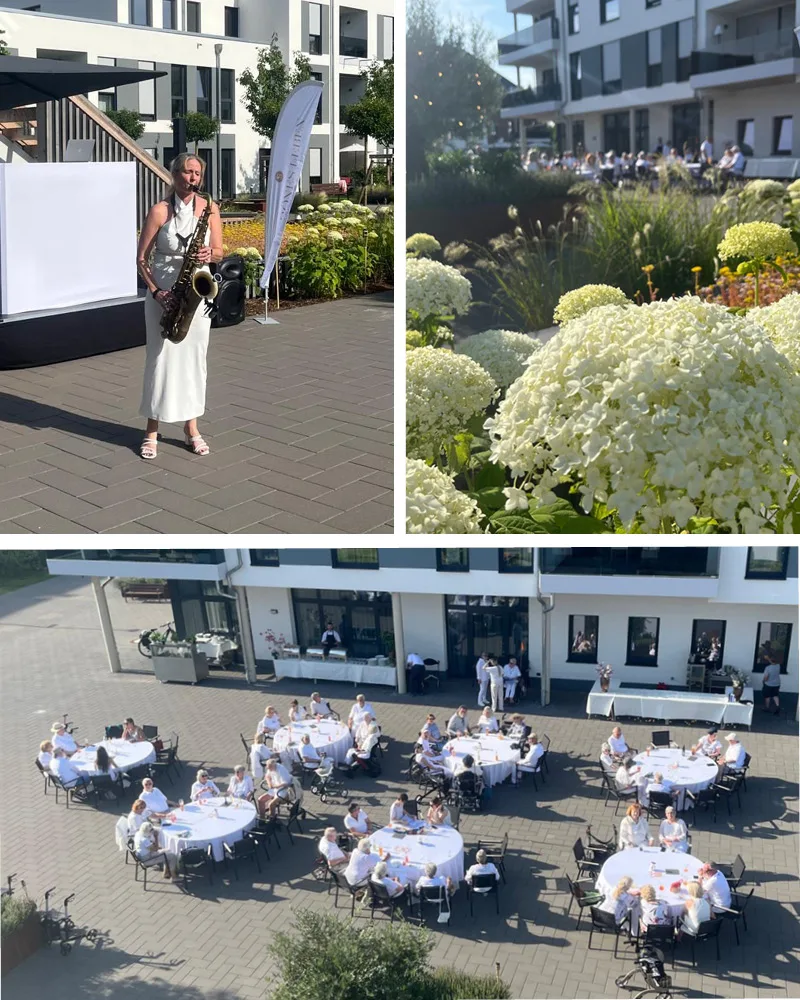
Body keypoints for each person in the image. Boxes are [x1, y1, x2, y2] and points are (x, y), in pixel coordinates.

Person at [136, 153, 222, 460]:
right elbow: (141, 259)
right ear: (174, 175)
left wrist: (210, 253)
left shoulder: (210, 208)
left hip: (196, 294)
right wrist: (158, 292)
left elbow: (220, 251)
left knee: (194, 362)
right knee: (160, 361)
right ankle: (151, 430)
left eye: (197, 173)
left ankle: (191, 428)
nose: (193, 178)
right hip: (165, 294)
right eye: (188, 172)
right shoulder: (159, 211)